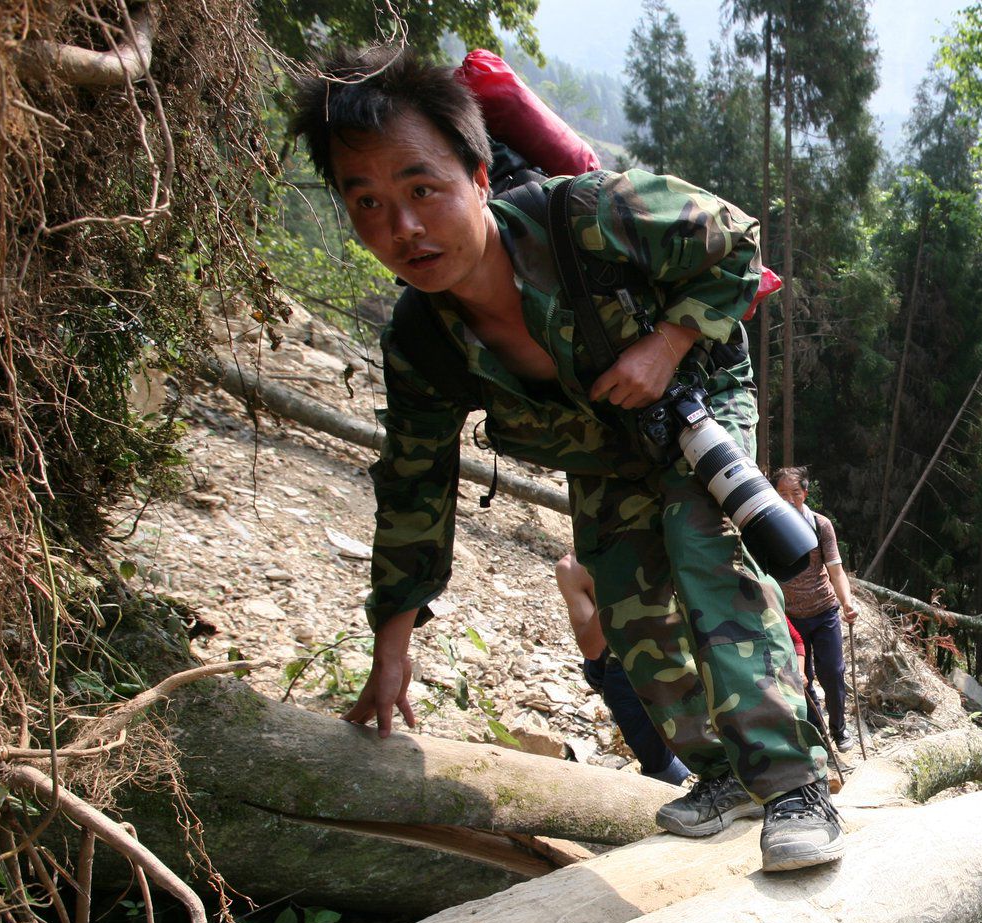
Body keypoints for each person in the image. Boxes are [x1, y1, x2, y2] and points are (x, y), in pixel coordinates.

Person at [290, 46, 842, 870]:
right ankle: (726, 773)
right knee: (623, 602)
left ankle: (795, 784)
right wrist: (392, 643)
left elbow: (737, 244)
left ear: (478, 176)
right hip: (602, 447)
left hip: (691, 398)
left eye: (420, 189)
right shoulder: (422, 343)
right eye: (365, 203)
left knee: (703, 549)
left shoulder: (587, 214)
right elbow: (414, 488)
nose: (401, 228)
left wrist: (668, 340)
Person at [554, 552, 692, 786]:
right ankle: (666, 774)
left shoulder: (662, 542)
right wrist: (614, 589)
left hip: (673, 646)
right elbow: (592, 648)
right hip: (612, 660)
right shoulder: (570, 568)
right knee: (622, 684)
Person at [771, 467, 859, 751]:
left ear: (805, 494)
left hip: (824, 611)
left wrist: (847, 602)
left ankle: (839, 729)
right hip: (789, 617)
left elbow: (836, 571)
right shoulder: (768, 529)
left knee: (832, 672)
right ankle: (818, 733)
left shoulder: (820, 526)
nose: (789, 499)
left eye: (795, 493)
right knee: (801, 678)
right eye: (782, 494)